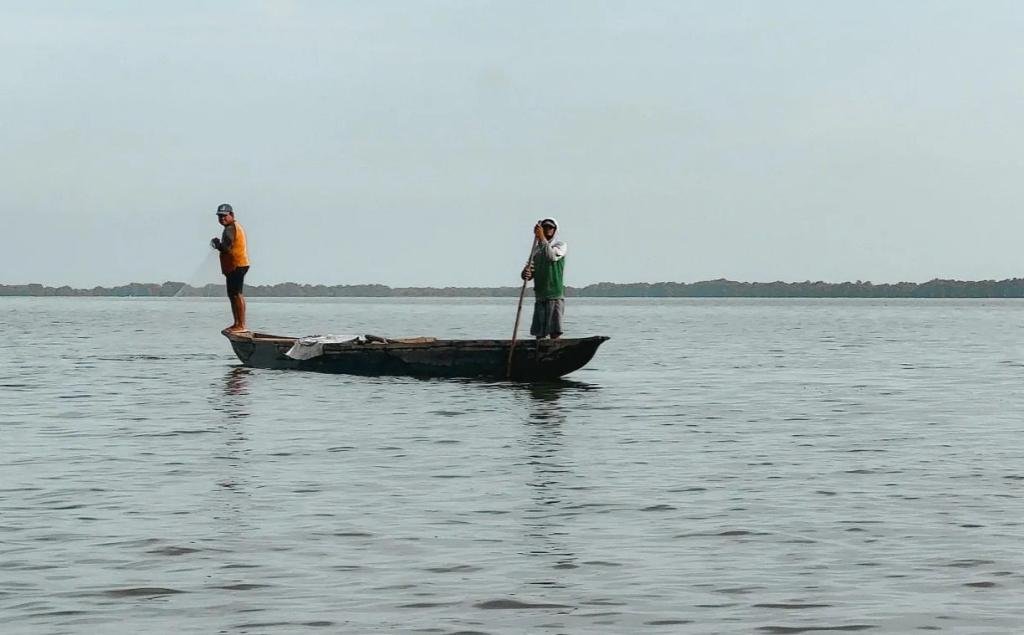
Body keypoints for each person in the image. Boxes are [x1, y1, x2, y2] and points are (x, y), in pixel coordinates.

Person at [521, 218, 568, 339]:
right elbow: (529, 271)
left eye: (550, 227)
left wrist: (541, 238)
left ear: (555, 230)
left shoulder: (560, 245)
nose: (547, 229)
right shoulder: (536, 249)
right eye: (545, 227)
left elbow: (551, 256)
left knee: (554, 332)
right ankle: (539, 350)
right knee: (539, 333)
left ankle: (555, 350)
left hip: (554, 295)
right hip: (540, 296)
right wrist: (526, 273)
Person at [210, 203, 250, 333]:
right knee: (234, 294)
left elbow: (226, 248)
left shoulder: (230, 228)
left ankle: (240, 325)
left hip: (237, 265)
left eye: (224, 216)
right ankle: (238, 323)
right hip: (237, 265)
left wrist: (217, 244)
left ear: (231, 215)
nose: (222, 218)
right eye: (220, 216)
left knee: (236, 294)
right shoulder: (233, 227)